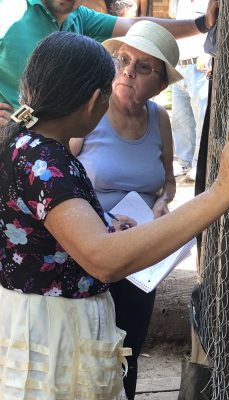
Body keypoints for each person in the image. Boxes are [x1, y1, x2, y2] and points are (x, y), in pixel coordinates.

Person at [0, 30, 229, 398]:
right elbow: (103, 260)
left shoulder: (26, 143)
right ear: (94, 101)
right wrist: (219, 192)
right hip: (55, 332)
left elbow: (49, 228)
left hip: (44, 323)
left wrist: (104, 224)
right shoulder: (46, 162)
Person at [69, 21, 182, 399]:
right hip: (87, 251)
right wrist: (102, 218)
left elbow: (167, 179)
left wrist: (163, 203)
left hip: (139, 256)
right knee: (83, 351)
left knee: (127, 350)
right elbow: (59, 178)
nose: (129, 71)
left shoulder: (160, 119)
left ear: (161, 85)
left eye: (144, 67)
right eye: (123, 59)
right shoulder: (87, 111)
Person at [0, 0, 218, 125]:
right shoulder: (11, 10)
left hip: (46, 143)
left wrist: (202, 24)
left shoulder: (80, 17)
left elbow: (136, 25)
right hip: (7, 139)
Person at [171, 0, 211, 181]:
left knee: (200, 117)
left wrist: (207, 54)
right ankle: (184, 162)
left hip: (198, 67)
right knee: (181, 119)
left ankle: (197, 163)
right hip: (179, 66)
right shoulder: (179, 2)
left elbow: (214, 27)